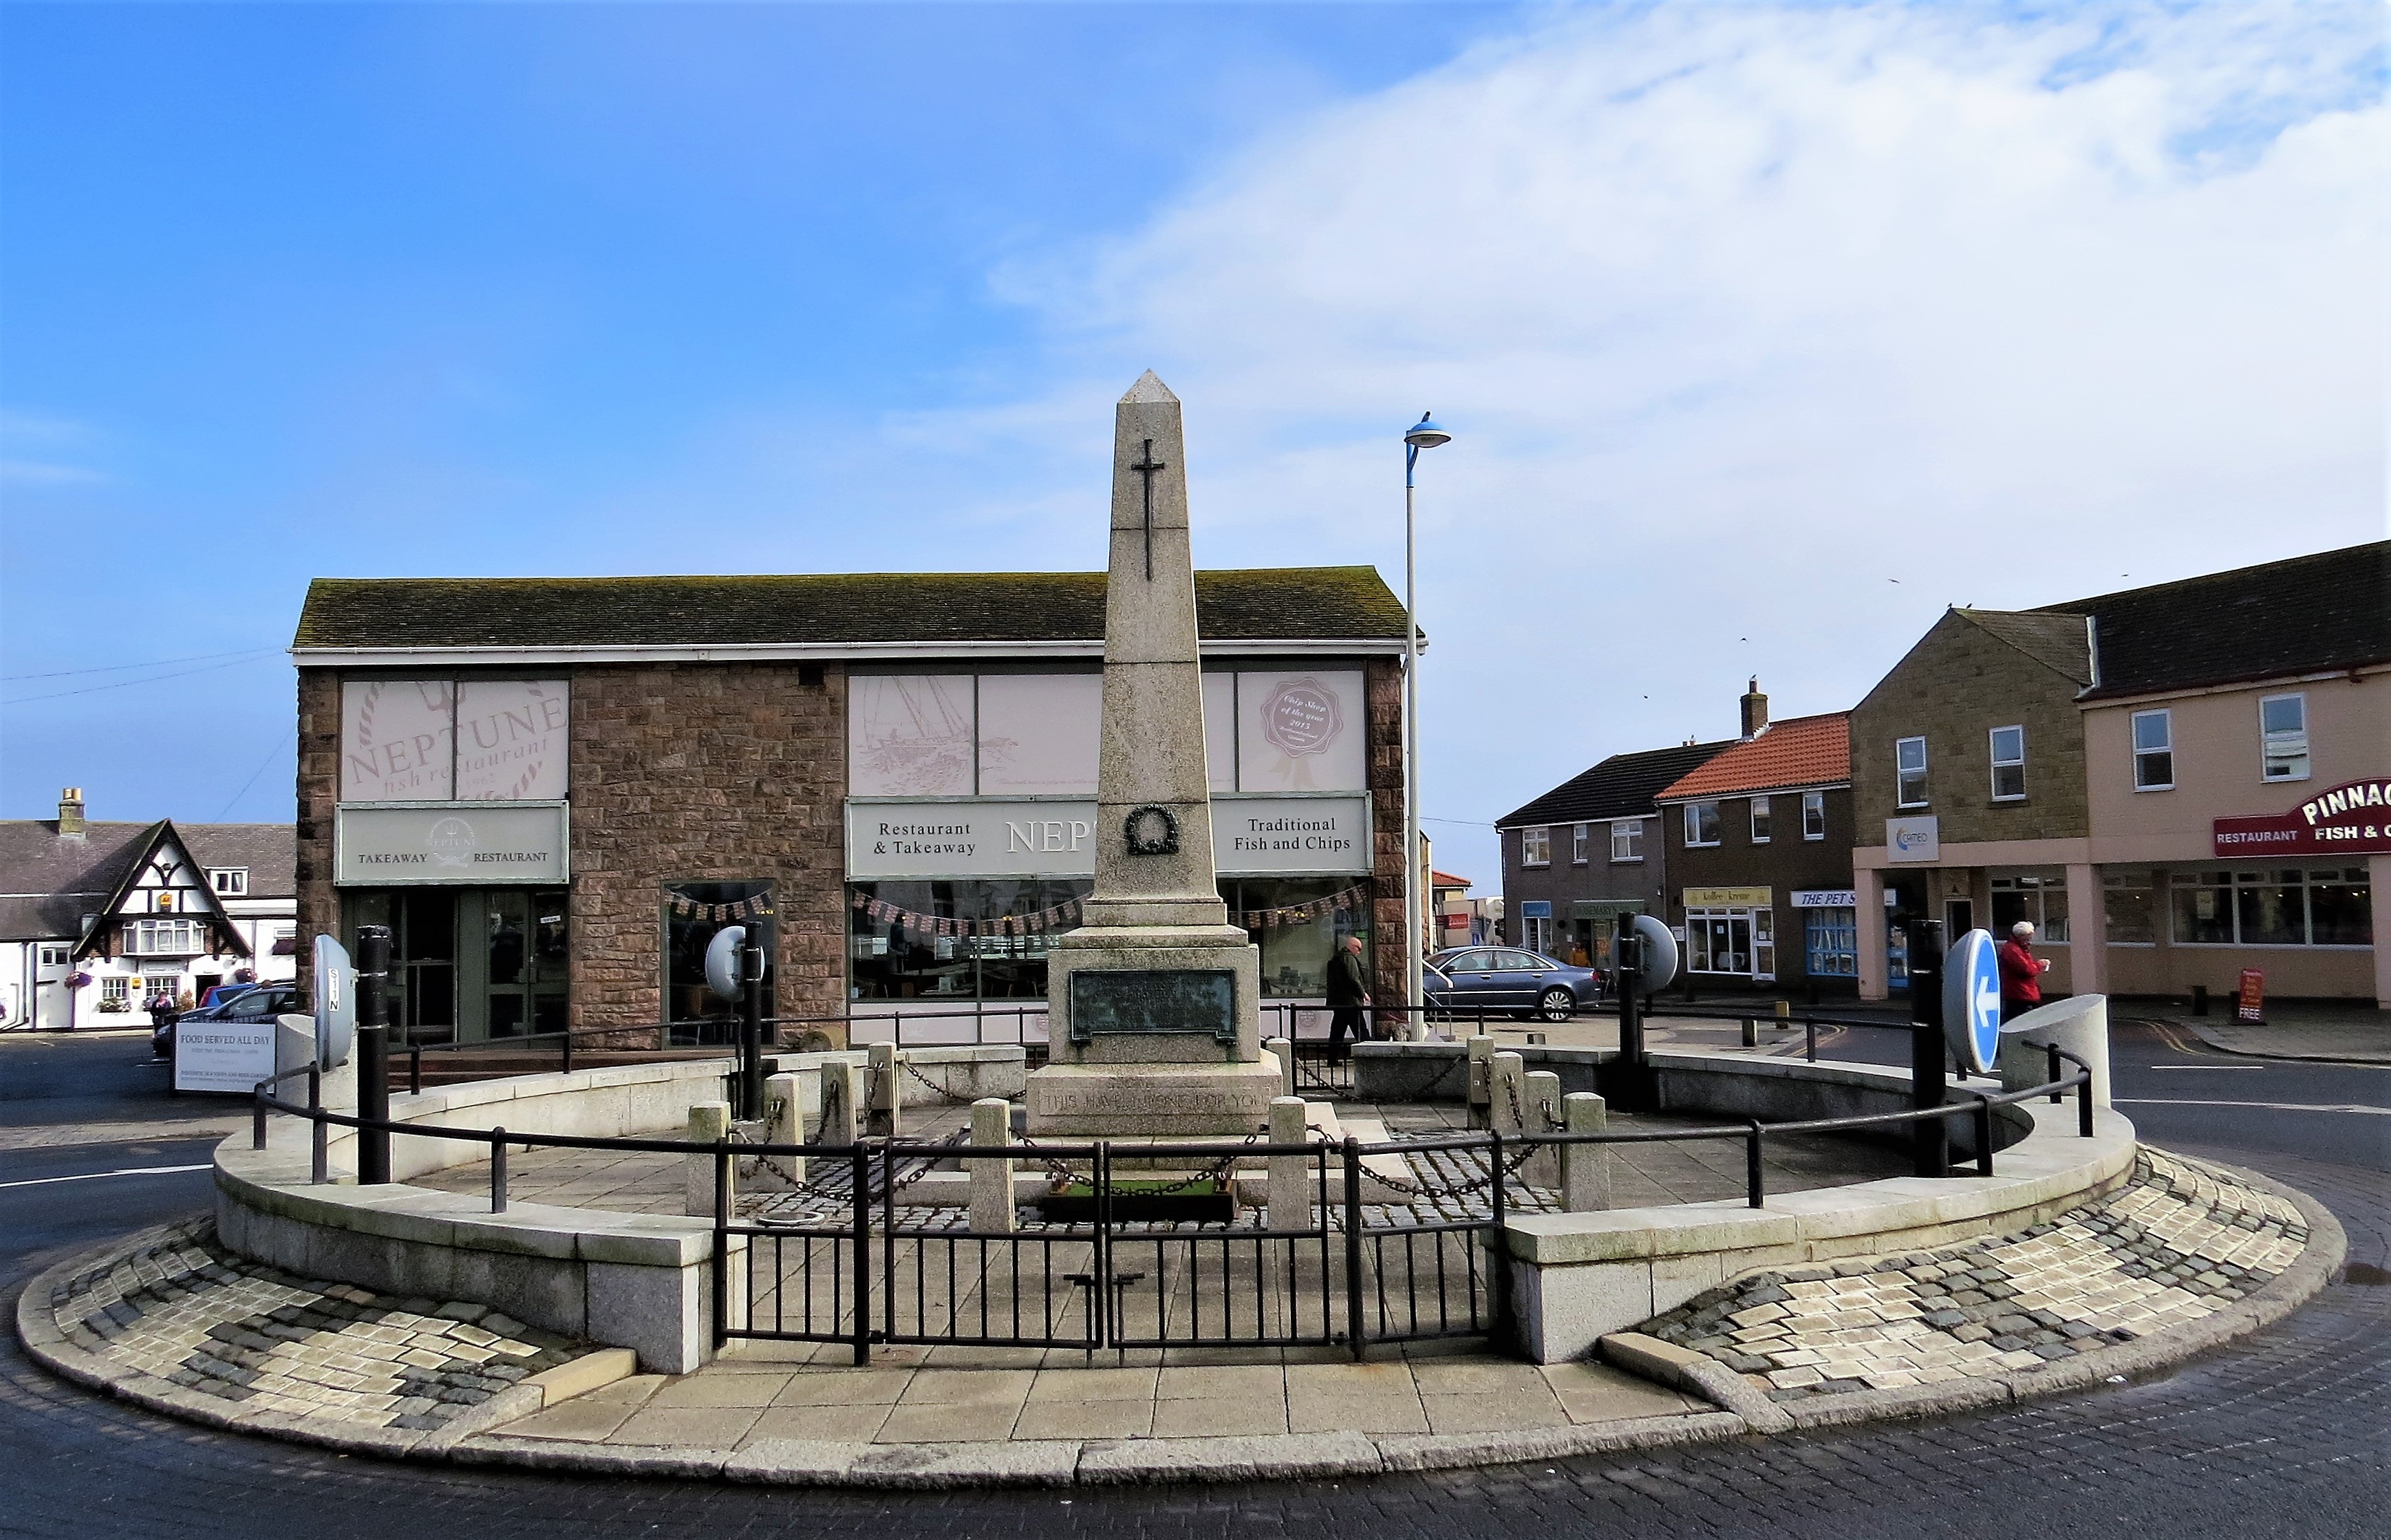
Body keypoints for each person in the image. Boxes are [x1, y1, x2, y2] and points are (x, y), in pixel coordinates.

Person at [1325, 933, 1371, 1059]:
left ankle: (1332, 1058)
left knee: (1337, 1032)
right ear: (1353, 946)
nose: (1359, 952)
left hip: (1340, 1002)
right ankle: (1369, 1055)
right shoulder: (1349, 959)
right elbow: (1353, 978)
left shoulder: (1336, 959)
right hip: (1350, 1002)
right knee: (1361, 1029)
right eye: (1359, 949)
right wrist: (1363, 993)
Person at [1997, 920, 2050, 1022]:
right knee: (2021, 1022)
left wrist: (2036, 965)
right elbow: (2027, 970)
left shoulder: (2018, 949)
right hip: (2020, 995)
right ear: (2020, 936)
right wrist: (2039, 965)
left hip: (2024, 994)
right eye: (2028, 938)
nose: (2030, 941)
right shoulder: (2013, 950)